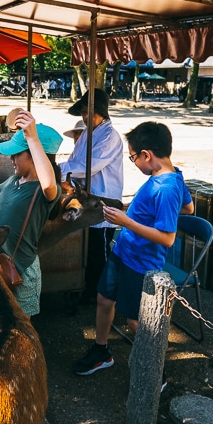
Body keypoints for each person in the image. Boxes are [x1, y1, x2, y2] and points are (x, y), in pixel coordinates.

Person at [73, 121, 194, 380]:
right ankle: (102, 351)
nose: (133, 162)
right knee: (104, 298)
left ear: (146, 155)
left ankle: (153, 376)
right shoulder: (171, 177)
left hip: (141, 262)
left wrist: (126, 221)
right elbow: (189, 208)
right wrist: (148, 216)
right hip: (124, 252)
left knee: (136, 321)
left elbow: (168, 238)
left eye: (132, 157)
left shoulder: (166, 188)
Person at [0, 111, 63, 317]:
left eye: (17, 154)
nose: (11, 158)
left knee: (19, 329)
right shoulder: (14, 181)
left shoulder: (44, 190)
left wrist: (32, 137)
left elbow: (49, 183)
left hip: (19, 271)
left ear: (34, 155)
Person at [60, 89, 124, 305]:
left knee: (99, 250)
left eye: (89, 112)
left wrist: (57, 169)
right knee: (86, 249)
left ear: (101, 112)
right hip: (85, 196)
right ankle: (88, 289)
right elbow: (74, 159)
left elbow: (90, 166)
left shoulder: (109, 136)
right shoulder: (88, 132)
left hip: (103, 197)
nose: (85, 117)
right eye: (83, 113)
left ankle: (104, 296)